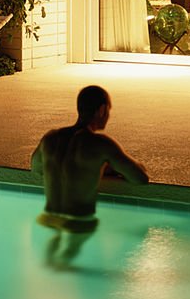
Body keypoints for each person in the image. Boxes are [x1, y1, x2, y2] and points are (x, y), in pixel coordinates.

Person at [30, 85, 148, 265]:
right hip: (79, 226)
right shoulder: (100, 144)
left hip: (47, 222)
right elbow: (140, 178)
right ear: (102, 110)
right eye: (108, 109)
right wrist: (109, 165)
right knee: (136, 243)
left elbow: (36, 168)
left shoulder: (50, 138)